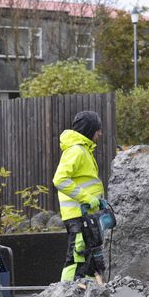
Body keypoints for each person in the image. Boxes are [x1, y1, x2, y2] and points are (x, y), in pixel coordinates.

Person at [53, 110, 105, 281]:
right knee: (77, 257)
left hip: (85, 214)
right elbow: (60, 179)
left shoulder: (83, 150)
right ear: (90, 130)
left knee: (88, 258)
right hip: (78, 215)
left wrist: (97, 202)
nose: (100, 133)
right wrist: (87, 198)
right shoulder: (76, 151)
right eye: (98, 129)